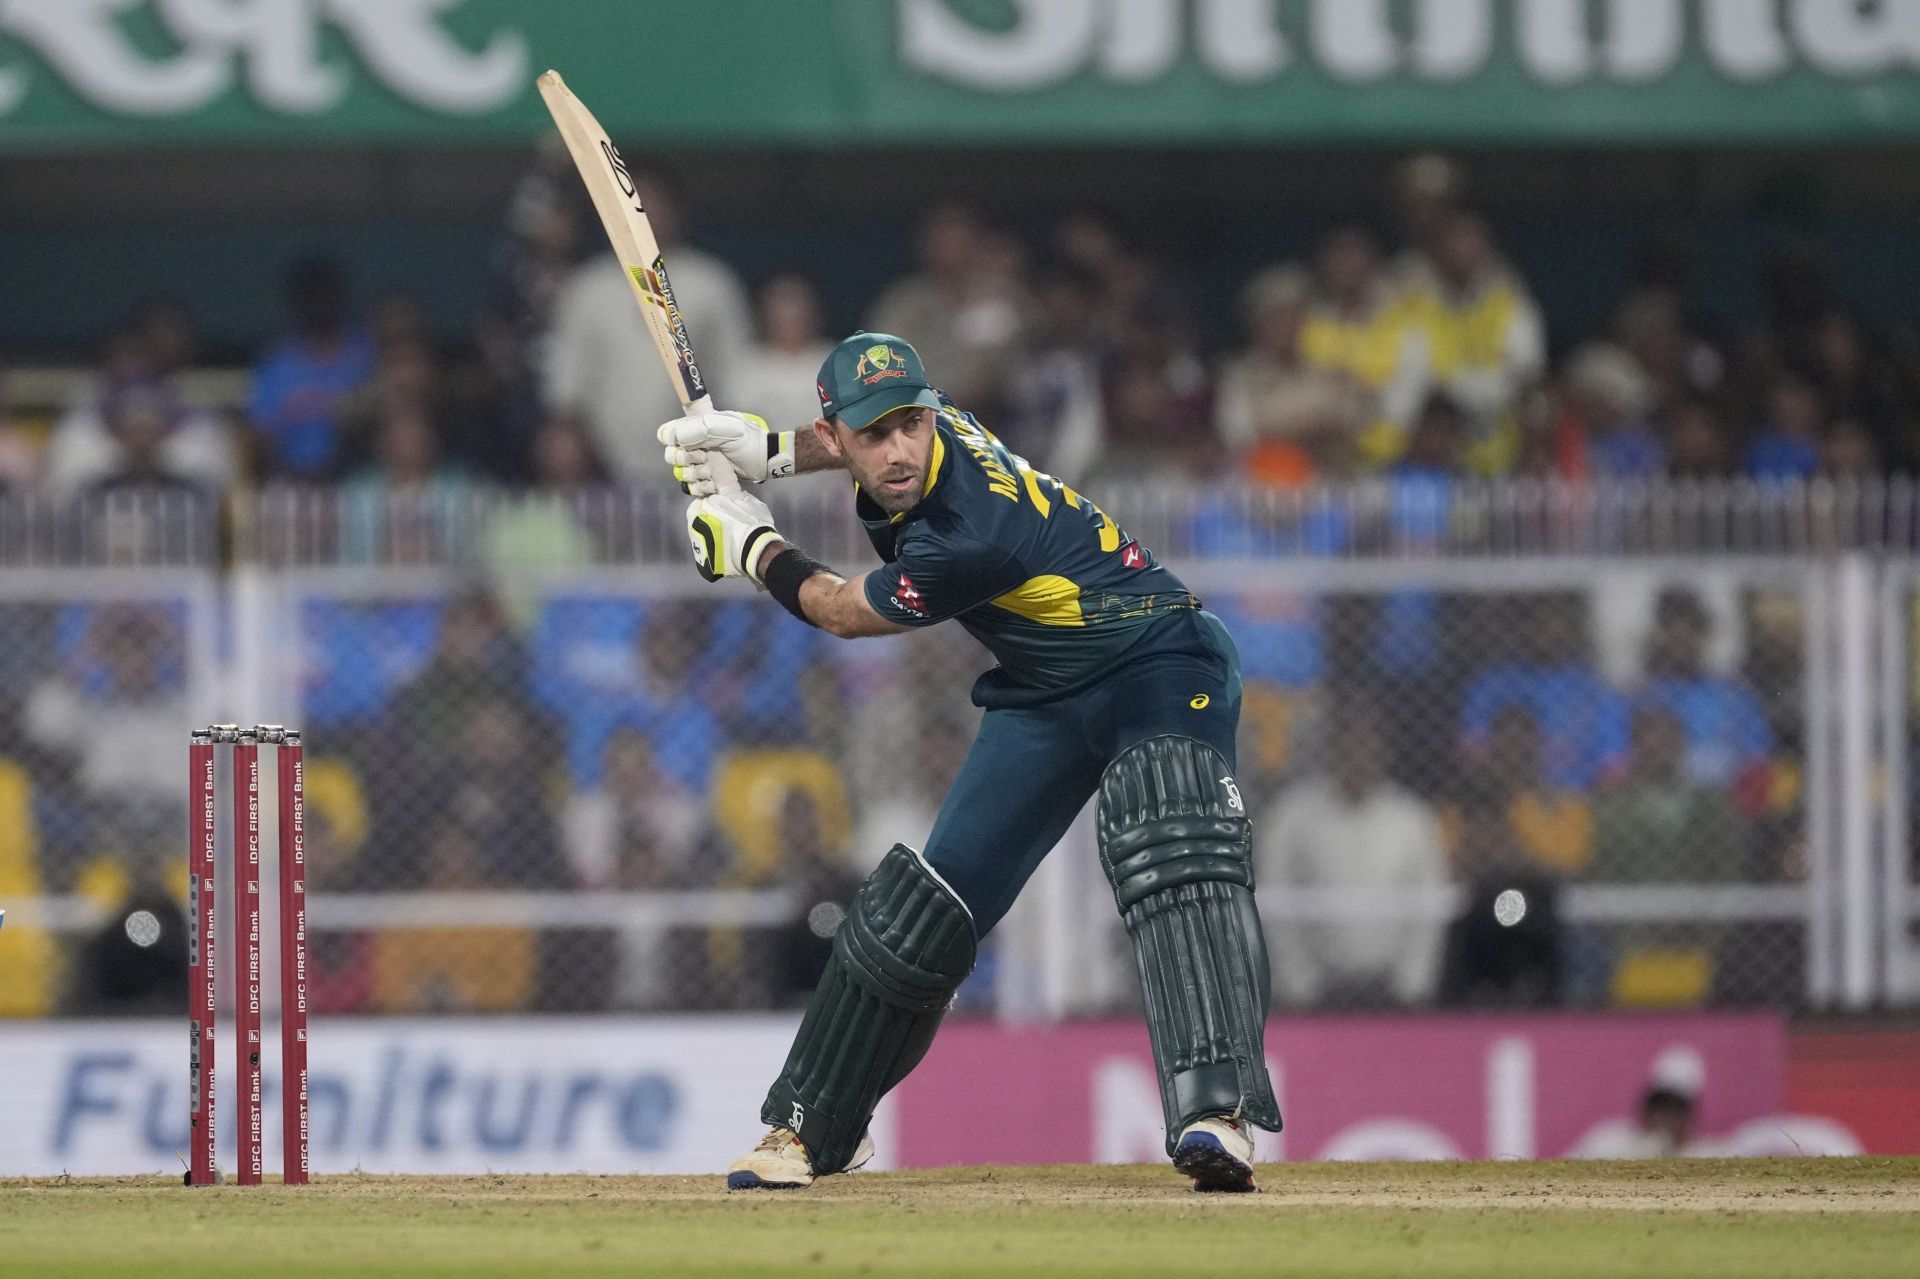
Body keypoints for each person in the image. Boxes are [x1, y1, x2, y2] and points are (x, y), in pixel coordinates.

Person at [659, 332, 1281, 1192]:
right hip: (1045, 687)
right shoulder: (920, 427)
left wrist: (751, 544)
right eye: (875, 433)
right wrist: (766, 451)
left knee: (1168, 834)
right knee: (919, 913)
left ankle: (1218, 1110)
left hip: (1158, 659)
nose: (902, 448)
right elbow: (849, 437)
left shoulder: (968, 533)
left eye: (911, 424)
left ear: (930, 411)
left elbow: (839, 611)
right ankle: (809, 1129)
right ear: (840, 435)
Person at [543, 169, 750, 480]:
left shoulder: (711, 282)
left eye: (652, 205)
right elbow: (565, 382)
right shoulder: (587, 287)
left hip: (697, 462)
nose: (642, 215)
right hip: (601, 470)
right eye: (631, 206)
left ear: (675, 211)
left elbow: (738, 375)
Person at [1261, 704, 1449, 1008]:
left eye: (1367, 745)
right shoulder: (1293, 815)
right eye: (1348, 744)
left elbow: (1428, 909)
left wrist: (1412, 988)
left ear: (1383, 751)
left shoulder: (1411, 818)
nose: (1358, 755)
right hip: (1313, 989)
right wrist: (1300, 986)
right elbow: (1275, 901)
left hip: (1393, 988)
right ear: (1332, 750)